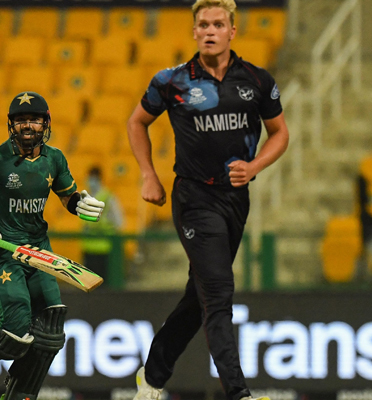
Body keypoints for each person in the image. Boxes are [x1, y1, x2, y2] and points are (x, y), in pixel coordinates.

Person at [126, 1, 290, 399]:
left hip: (235, 200)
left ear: (233, 31)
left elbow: (280, 133)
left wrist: (254, 167)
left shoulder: (257, 79)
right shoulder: (172, 81)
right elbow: (137, 122)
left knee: (197, 296)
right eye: (203, 24)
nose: (211, 30)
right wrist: (149, 174)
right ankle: (239, 393)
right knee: (218, 292)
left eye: (219, 24)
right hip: (194, 197)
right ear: (195, 32)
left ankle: (151, 378)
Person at [0, 91, 106, 400]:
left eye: (34, 119)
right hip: (3, 253)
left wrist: (78, 202)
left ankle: (20, 394)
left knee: (52, 328)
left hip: (38, 252)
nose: (28, 126)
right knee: (18, 336)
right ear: (11, 125)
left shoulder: (55, 158)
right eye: (21, 121)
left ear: (46, 123)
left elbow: (65, 194)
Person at [81, 165, 124, 283]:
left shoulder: (108, 197)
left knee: (104, 288)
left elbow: (119, 221)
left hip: (105, 249)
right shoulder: (84, 198)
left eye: (93, 178)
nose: (91, 182)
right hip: (88, 249)